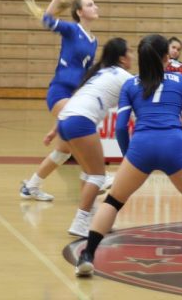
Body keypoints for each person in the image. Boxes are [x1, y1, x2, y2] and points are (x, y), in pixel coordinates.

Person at [74, 34, 182, 281]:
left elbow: (120, 128)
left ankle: (87, 256)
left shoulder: (130, 85)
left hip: (142, 146)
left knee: (113, 202)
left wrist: (131, 158)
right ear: (166, 57)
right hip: (174, 146)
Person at [19, 0, 100, 201]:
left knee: (64, 150)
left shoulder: (93, 41)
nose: (96, 7)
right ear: (80, 12)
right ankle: (96, 175)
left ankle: (31, 185)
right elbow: (46, 20)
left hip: (73, 96)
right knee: (83, 132)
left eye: (95, 4)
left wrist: (56, 127)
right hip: (59, 92)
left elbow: (84, 77)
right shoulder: (72, 30)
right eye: (90, 4)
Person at [56, 38, 134, 237]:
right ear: (122, 58)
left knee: (89, 173)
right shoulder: (123, 76)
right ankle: (80, 221)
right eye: (130, 52)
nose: (132, 56)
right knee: (98, 175)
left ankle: (89, 218)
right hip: (79, 121)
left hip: (66, 119)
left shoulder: (99, 72)